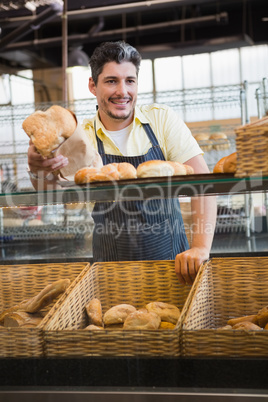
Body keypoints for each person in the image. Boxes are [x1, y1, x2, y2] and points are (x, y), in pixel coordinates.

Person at [28, 41, 217, 285]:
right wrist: (37, 170)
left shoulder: (161, 120)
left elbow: (204, 184)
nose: (122, 91)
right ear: (92, 86)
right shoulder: (80, 135)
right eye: (111, 81)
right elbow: (52, 193)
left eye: (130, 80)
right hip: (110, 270)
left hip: (173, 265)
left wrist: (200, 248)